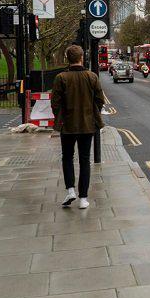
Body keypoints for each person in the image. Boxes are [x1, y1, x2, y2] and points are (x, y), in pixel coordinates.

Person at [51, 45, 105, 209]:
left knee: (67, 157)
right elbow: (100, 100)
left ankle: (70, 190)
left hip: (67, 125)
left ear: (68, 58)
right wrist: (92, 113)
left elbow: (55, 104)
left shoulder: (61, 77)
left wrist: (61, 117)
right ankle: (83, 198)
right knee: (84, 160)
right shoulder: (92, 76)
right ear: (81, 58)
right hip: (88, 125)